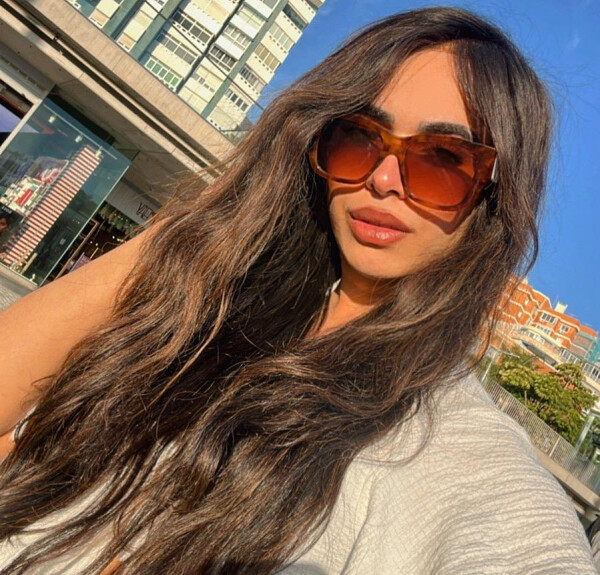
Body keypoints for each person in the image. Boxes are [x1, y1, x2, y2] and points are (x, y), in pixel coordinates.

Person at [0, 6, 596, 575]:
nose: (382, 180)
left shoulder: (456, 445)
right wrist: (209, 227)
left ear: (496, 194)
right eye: (359, 136)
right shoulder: (214, 301)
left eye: (443, 158)